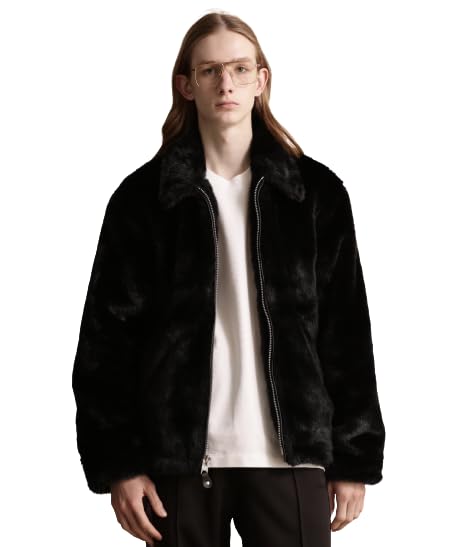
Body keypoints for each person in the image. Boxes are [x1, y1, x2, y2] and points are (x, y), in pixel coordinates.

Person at [71, 10, 385, 547]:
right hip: (178, 463)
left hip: (292, 458)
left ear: (262, 80)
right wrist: (119, 463)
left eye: (240, 69)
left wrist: (353, 457)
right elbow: (107, 344)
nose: (226, 84)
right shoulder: (142, 201)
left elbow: (347, 333)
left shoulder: (315, 193)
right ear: (186, 84)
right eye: (210, 70)